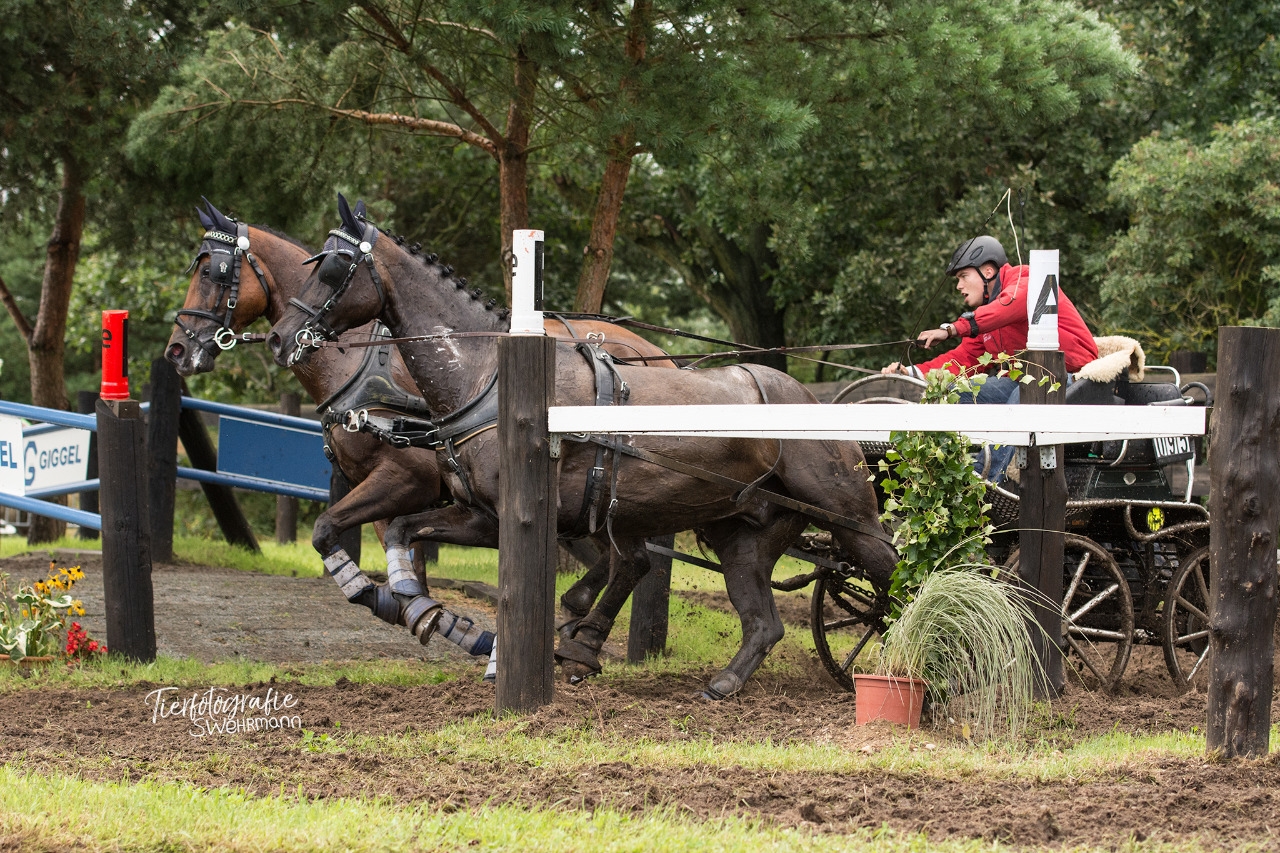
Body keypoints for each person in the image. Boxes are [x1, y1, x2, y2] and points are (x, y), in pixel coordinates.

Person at [882, 235, 1099, 479]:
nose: (959, 286)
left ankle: (984, 483)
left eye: (963, 276)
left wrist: (951, 329)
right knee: (953, 393)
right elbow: (964, 358)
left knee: (1023, 396)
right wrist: (911, 372)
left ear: (987, 271)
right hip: (1022, 382)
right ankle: (942, 476)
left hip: (1067, 380)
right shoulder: (987, 319)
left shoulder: (1027, 281)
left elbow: (1007, 306)